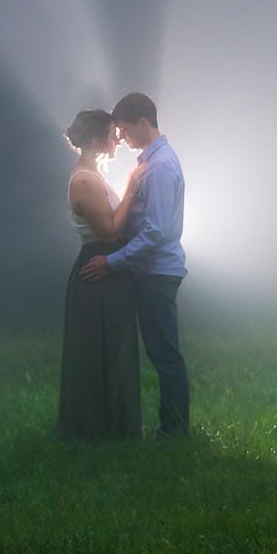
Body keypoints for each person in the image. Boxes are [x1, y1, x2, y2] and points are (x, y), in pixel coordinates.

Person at [80, 92, 190, 438]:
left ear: (144, 122)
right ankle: (171, 429)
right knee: (162, 351)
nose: (122, 137)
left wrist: (112, 262)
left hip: (156, 271)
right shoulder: (153, 162)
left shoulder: (158, 168)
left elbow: (155, 231)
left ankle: (174, 432)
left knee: (164, 354)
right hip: (152, 270)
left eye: (125, 129)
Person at [56, 107, 146, 442]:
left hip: (109, 267)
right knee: (97, 348)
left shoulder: (92, 174)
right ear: (98, 138)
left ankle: (113, 425)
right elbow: (109, 231)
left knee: (113, 345)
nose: (118, 140)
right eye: (113, 134)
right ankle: (95, 428)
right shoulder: (83, 180)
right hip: (98, 266)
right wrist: (132, 186)